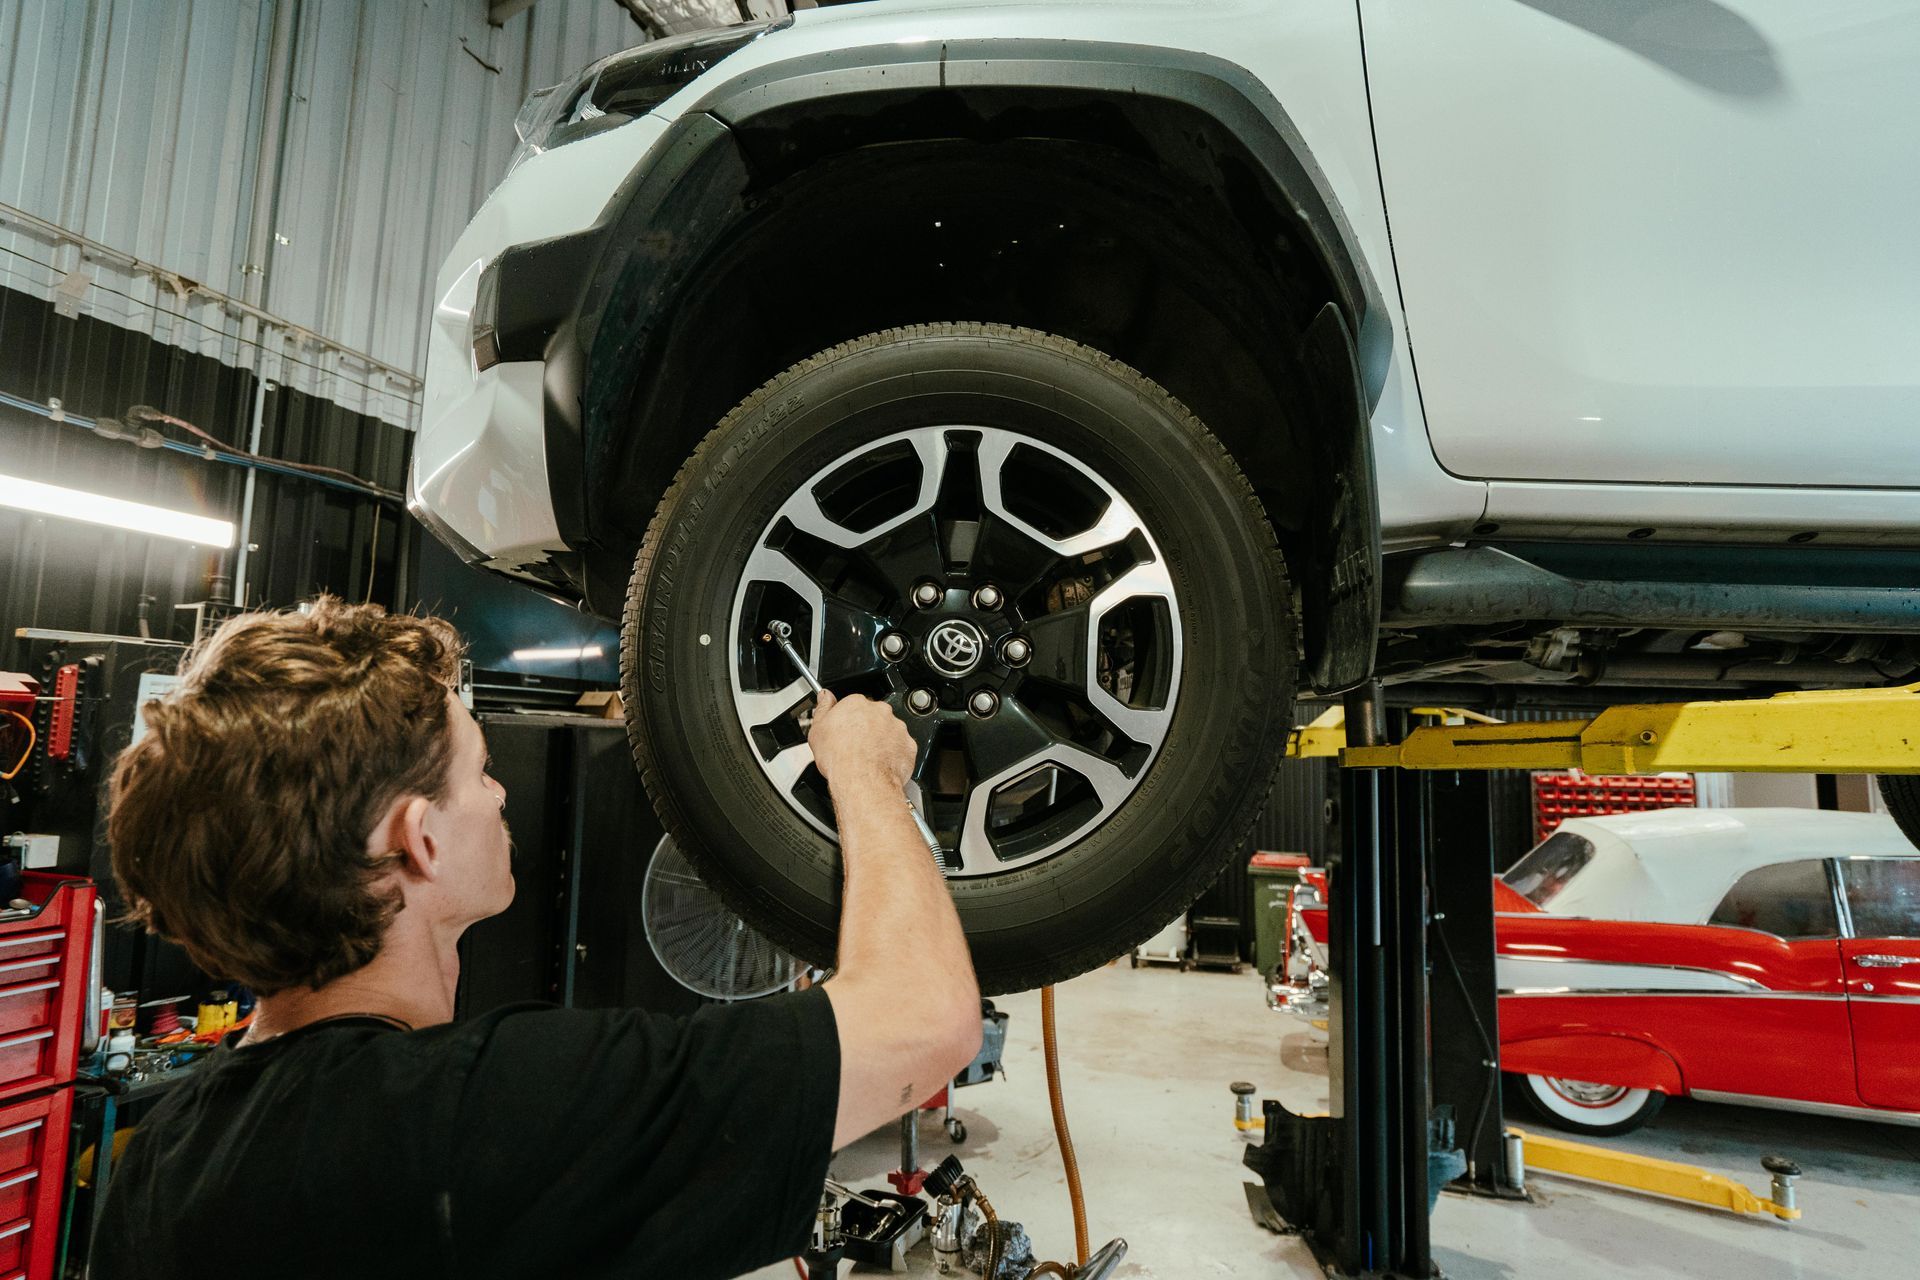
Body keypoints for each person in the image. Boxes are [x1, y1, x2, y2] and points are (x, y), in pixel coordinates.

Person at [91, 596, 981, 1279]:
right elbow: (924, 1022)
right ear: (419, 840)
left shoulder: (159, 1168)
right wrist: (866, 772)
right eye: (481, 771)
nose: (502, 794)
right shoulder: (477, 1113)